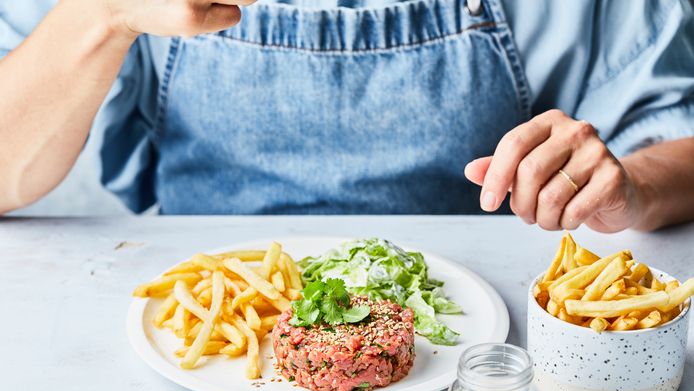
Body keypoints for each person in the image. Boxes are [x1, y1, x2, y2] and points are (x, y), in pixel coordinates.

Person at [1, 0, 693, 232]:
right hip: (194, 342)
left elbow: (679, 138)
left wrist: (626, 184)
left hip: (471, 354)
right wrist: (100, 15)